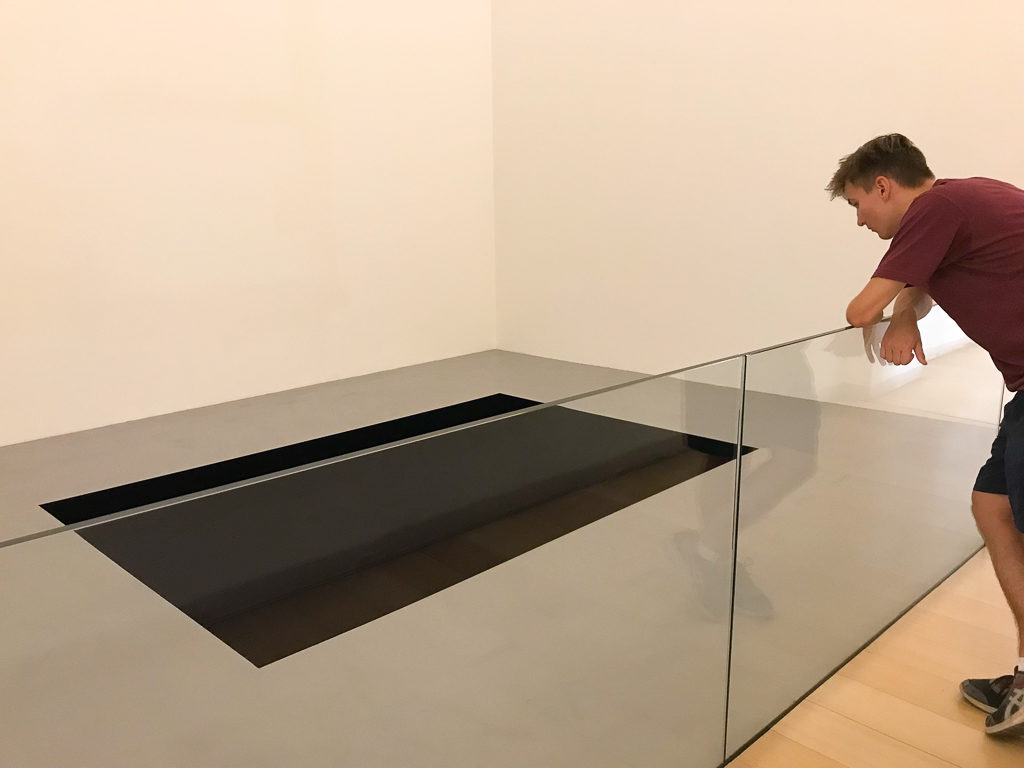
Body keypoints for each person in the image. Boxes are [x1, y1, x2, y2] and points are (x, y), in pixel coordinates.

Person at [829, 134, 1024, 737]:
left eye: (859, 203)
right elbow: (926, 278)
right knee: (992, 505)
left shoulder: (935, 209)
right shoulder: (967, 198)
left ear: (884, 186)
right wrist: (910, 311)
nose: (860, 219)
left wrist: (890, 311)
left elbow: (859, 310)